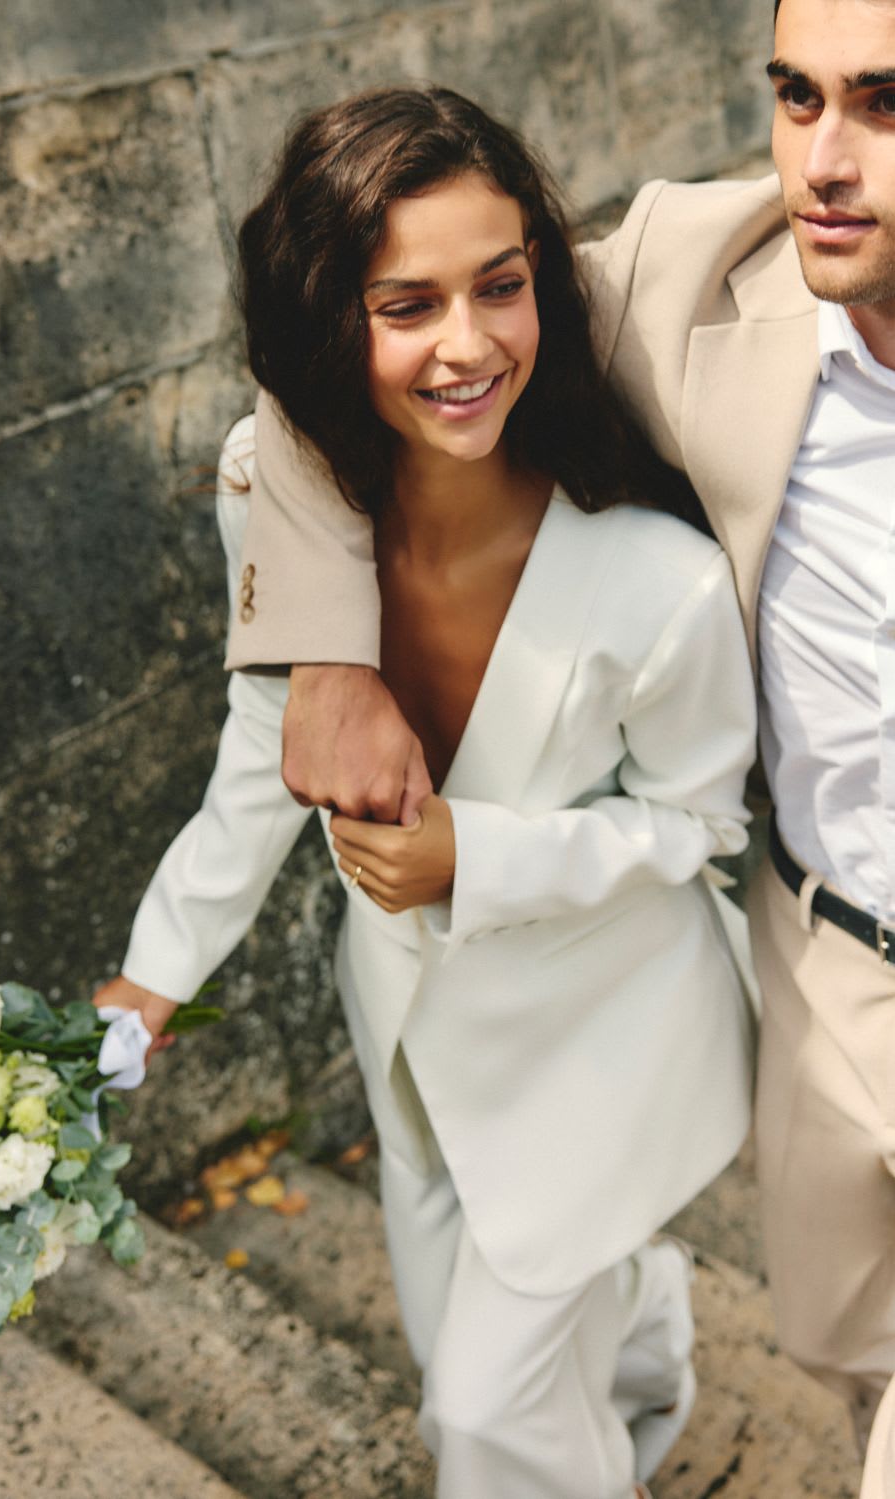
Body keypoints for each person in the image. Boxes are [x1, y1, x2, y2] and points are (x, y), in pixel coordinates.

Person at [223, 0, 895, 1486]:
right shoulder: (702, 272)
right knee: (848, 1353)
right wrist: (322, 644)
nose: (823, 161)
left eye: (887, 104)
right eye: (797, 95)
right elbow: (339, 327)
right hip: (831, 966)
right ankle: (645, 1340)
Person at [96, 87, 758, 1499]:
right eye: (406, 305)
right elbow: (261, 749)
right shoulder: (255, 488)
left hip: (597, 1047)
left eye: (501, 287)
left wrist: (484, 853)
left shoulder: (661, 580)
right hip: (404, 1030)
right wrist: (155, 975)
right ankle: (635, 1315)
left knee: (479, 1421)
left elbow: (702, 827)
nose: (468, 346)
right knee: (462, 1320)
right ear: (334, 324)